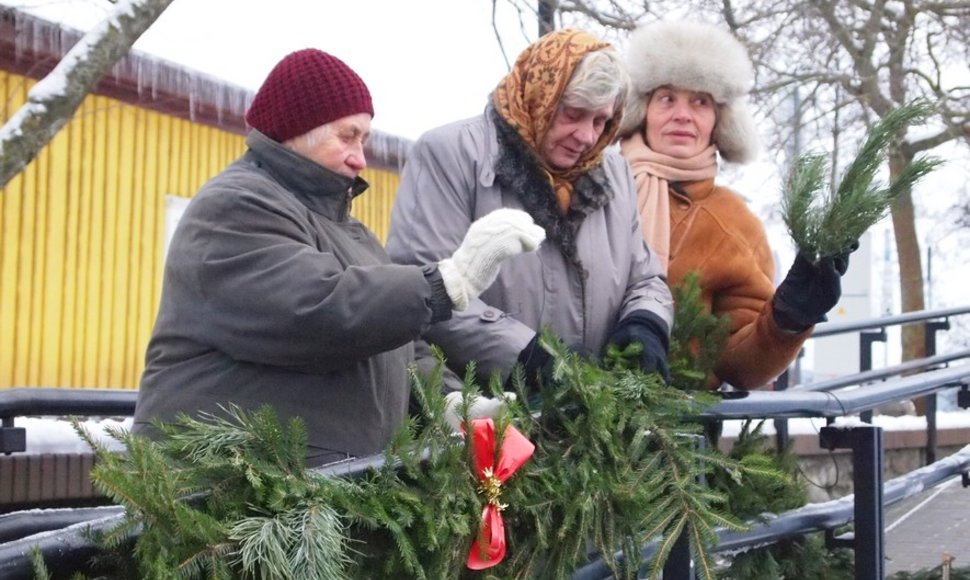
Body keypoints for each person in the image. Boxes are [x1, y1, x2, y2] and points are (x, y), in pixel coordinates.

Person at [133, 49, 545, 467]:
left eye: (363, 139)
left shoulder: (351, 233)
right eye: (347, 136)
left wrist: (451, 402)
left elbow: (397, 345)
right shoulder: (236, 206)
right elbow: (316, 311)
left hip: (307, 487)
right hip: (223, 486)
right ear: (298, 130)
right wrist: (449, 282)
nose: (360, 158)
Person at [385, 29, 674, 392]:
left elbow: (645, 278)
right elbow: (421, 287)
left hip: (594, 415)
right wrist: (527, 356)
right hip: (485, 414)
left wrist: (644, 324)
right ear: (540, 95)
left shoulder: (615, 174)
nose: (586, 136)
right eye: (573, 114)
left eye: (600, 121)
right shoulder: (451, 155)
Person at [618, 21, 853, 389]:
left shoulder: (734, 223)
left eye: (700, 101)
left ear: (719, 121)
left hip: (674, 430)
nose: (683, 114)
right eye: (667, 98)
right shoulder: (592, 191)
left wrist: (789, 317)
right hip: (562, 419)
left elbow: (739, 366)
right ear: (641, 109)